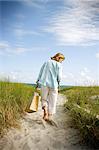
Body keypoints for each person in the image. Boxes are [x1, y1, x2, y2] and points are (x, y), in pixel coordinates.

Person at [36, 53, 65, 121]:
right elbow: (59, 77)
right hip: (54, 85)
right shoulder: (59, 65)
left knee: (44, 99)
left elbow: (41, 72)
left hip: (44, 83)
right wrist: (58, 84)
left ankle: (45, 113)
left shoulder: (46, 62)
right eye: (62, 60)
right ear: (58, 58)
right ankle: (50, 115)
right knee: (53, 101)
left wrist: (38, 81)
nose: (62, 61)